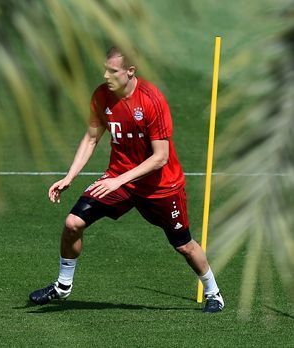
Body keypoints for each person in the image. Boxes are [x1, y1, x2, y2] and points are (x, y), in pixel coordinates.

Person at [29, 47, 224, 313]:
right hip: (118, 178)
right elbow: (91, 138)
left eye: (113, 71)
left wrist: (118, 181)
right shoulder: (101, 95)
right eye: (105, 69)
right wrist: (69, 177)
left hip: (161, 187)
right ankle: (63, 286)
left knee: (184, 246)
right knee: (73, 223)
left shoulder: (151, 100)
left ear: (130, 72)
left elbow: (160, 157)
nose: (105, 75)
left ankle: (213, 292)